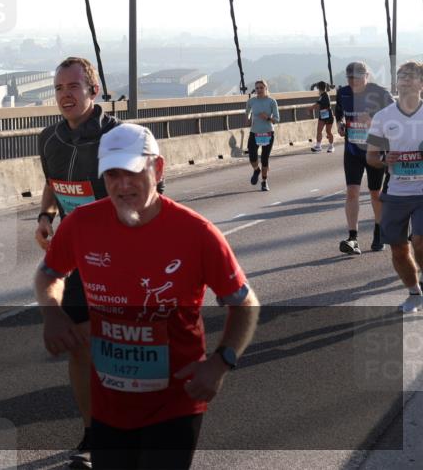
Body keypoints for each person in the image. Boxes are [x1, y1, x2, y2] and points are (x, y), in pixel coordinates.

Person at [35, 123, 260, 470]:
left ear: (157, 169)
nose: (122, 186)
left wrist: (220, 363)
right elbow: (49, 274)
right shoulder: (81, 225)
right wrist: (52, 312)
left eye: (133, 173)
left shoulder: (196, 233)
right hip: (108, 405)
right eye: (112, 175)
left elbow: (244, 303)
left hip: (175, 402)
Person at [34, 56, 120, 468]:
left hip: (124, 261)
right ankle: (92, 434)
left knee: (122, 350)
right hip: (78, 261)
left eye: (73, 87)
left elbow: (150, 194)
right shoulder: (49, 138)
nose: (65, 95)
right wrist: (46, 216)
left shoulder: (117, 137)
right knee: (79, 349)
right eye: (58, 88)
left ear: (93, 89)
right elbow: (53, 184)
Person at [366, 60, 423, 313]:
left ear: (421, 83)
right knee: (399, 249)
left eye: (411, 76)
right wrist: (382, 160)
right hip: (396, 192)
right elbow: (371, 157)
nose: (405, 79)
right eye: (401, 75)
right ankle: (414, 293)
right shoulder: (382, 117)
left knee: (420, 242)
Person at [335, 61, 394, 254]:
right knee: (352, 191)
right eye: (350, 78)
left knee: (375, 193)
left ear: (366, 76)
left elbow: (395, 117)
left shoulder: (379, 93)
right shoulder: (343, 92)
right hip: (352, 150)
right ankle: (353, 238)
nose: (353, 81)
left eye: (357, 78)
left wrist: (374, 120)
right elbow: (339, 113)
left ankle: (379, 233)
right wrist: (340, 124)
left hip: (375, 150)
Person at [245, 80, 280, 191]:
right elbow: (248, 112)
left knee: (265, 159)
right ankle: (256, 170)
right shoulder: (251, 101)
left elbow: (277, 119)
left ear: (266, 88)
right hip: (254, 132)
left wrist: (268, 118)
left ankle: (264, 182)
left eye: (261, 88)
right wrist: (248, 119)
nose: (259, 90)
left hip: (268, 133)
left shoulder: (271, 101)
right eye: (257, 88)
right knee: (252, 156)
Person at [309, 81, 335, 153]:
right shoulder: (323, 95)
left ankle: (331, 146)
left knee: (328, 131)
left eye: (317, 88)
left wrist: (310, 108)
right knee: (319, 130)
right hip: (323, 115)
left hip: (328, 115)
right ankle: (318, 146)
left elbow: (317, 104)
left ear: (319, 88)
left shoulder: (324, 95)